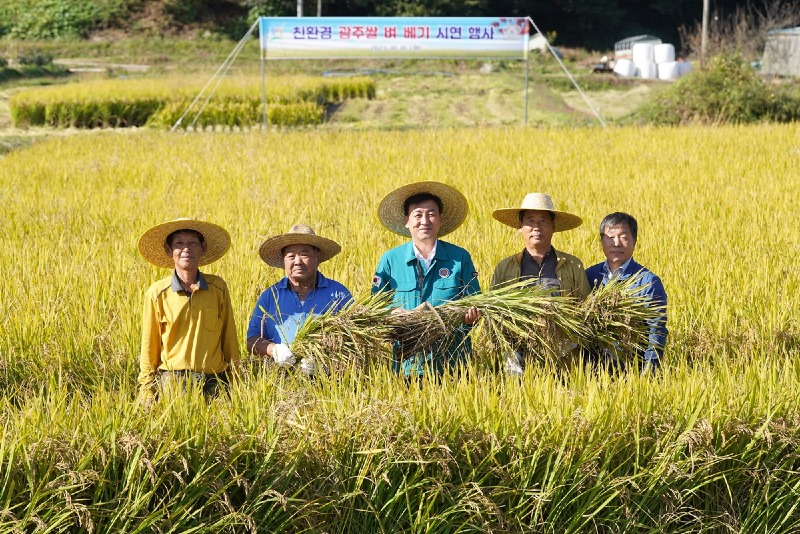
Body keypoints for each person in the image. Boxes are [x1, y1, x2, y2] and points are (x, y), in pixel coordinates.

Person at [372, 181, 480, 378]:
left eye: (431, 214)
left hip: (453, 363)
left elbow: (475, 302)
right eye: (417, 215)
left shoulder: (460, 258)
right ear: (406, 220)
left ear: (441, 219)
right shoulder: (390, 260)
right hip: (407, 365)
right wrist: (393, 315)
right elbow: (376, 307)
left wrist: (469, 318)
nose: (424, 221)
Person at [137, 218, 239, 400]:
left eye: (192, 243)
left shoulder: (218, 287)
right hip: (173, 383)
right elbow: (149, 346)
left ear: (203, 248)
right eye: (179, 244)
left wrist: (236, 383)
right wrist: (147, 391)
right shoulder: (157, 293)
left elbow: (229, 338)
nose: (186, 249)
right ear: (169, 251)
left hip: (214, 381)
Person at [491, 193, 591, 373]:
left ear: (553, 226)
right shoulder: (505, 268)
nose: (536, 227)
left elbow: (586, 310)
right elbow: (495, 317)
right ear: (520, 226)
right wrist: (507, 356)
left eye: (543, 221)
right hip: (518, 359)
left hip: (564, 360)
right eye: (530, 221)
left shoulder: (573, 265)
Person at [246, 224, 352, 376]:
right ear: (284, 261)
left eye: (304, 254)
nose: (297, 261)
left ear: (318, 257)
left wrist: (326, 362)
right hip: (280, 382)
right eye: (290, 256)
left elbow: (356, 340)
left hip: (330, 382)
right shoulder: (270, 297)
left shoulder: (339, 295)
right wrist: (274, 350)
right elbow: (252, 341)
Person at [585, 212, 668, 371]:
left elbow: (656, 331)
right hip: (593, 369)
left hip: (632, 368)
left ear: (634, 241)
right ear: (602, 241)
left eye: (623, 237)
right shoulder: (590, 276)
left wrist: (649, 372)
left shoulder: (648, 282)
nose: (616, 243)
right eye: (610, 237)